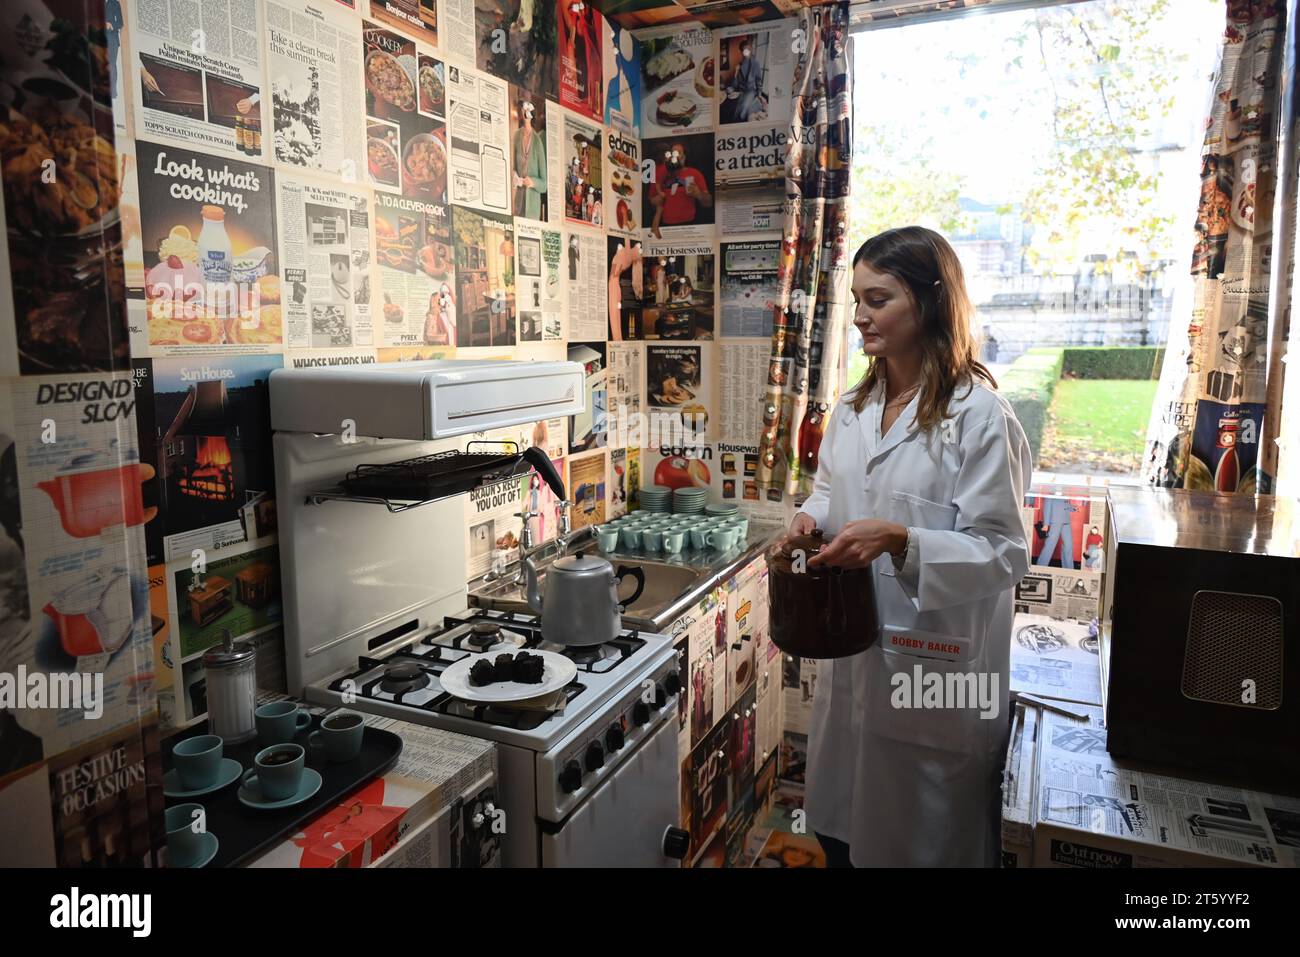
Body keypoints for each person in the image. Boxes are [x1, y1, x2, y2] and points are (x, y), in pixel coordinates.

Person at [790, 226, 1031, 867]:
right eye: (857, 299)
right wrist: (808, 520)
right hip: (857, 661)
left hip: (935, 682)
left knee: (918, 850)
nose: (861, 316)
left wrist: (902, 540)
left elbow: (1005, 550)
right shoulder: (852, 406)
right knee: (841, 837)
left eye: (878, 300)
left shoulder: (980, 417)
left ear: (927, 303)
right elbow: (830, 492)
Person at [648, 142, 712, 239]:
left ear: (684, 156)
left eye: (678, 153)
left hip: (690, 226)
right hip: (666, 228)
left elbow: (709, 202)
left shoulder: (694, 173)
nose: (675, 157)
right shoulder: (661, 173)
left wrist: (699, 194)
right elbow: (651, 200)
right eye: (672, 153)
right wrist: (656, 200)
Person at [512, 99, 547, 220]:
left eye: (529, 109)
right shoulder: (517, 136)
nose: (526, 112)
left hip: (532, 209)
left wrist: (532, 182)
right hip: (518, 204)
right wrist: (514, 176)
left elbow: (544, 185)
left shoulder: (538, 142)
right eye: (524, 109)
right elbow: (512, 167)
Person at [722, 38, 767, 124]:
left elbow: (759, 81)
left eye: (748, 49)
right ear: (741, 51)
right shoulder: (739, 65)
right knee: (736, 112)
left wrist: (759, 95)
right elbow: (735, 85)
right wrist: (736, 72)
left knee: (743, 112)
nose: (746, 51)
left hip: (751, 91)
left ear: (750, 49)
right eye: (743, 50)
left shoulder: (755, 63)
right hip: (741, 92)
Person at [1036, 496, 1077, 568]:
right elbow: (1047, 505)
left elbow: (1065, 505)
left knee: (1068, 546)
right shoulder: (1052, 488)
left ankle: (1069, 569)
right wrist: (1046, 524)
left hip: (1066, 520)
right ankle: (1040, 567)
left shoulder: (1065, 489)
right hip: (1055, 520)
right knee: (1050, 545)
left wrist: (1073, 508)